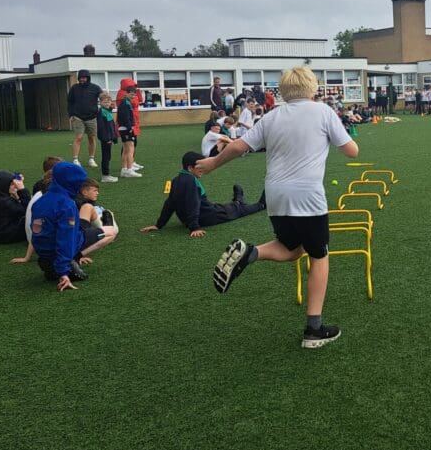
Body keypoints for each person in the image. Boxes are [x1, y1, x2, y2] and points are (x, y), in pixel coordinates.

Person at [198, 65, 359, 349]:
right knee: (319, 255)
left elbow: (238, 146)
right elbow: (351, 151)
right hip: (307, 196)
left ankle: (250, 252)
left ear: (283, 91)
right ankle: (314, 329)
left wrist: (212, 163)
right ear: (313, 88)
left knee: (292, 248)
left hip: (275, 195)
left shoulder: (272, 116)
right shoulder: (323, 112)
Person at [141, 151, 265, 237]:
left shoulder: (176, 179)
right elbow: (193, 203)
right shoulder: (190, 181)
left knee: (226, 207)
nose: (204, 169)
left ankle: (238, 200)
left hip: (201, 213)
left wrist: (159, 224)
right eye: (200, 167)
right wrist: (194, 227)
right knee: (239, 211)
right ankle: (261, 205)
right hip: (207, 216)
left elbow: (170, 203)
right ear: (190, 168)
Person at [30, 162, 97, 291]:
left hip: (43, 252)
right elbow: (66, 238)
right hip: (55, 251)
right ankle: (68, 263)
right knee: (103, 233)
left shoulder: (40, 201)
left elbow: (36, 231)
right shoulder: (66, 205)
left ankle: (53, 263)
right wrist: (63, 272)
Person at [67, 69, 102, 167]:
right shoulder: (74, 88)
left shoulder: (95, 88)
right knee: (78, 137)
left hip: (92, 117)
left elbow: (103, 98)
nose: (82, 79)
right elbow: (69, 102)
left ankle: (91, 159)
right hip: (78, 117)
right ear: (78, 78)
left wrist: (109, 105)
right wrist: (71, 115)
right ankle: (75, 160)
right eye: (81, 78)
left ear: (88, 78)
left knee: (92, 138)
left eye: (84, 78)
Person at [0, 170, 31, 244]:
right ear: (3, 186)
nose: (15, 186)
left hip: (2, 233)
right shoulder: (4, 201)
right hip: (7, 235)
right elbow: (28, 210)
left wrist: (16, 195)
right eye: (11, 184)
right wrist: (22, 190)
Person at [115, 78, 145, 172]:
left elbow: (139, 101)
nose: (133, 95)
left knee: (132, 144)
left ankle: (130, 163)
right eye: (132, 93)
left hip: (132, 121)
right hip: (128, 124)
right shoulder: (123, 97)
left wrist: (137, 93)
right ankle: (128, 166)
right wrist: (129, 127)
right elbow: (135, 103)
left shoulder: (127, 97)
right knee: (128, 146)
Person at [96, 92, 119, 183]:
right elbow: (102, 128)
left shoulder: (107, 111)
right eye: (104, 102)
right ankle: (105, 176)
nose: (107, 103)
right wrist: (107, 139)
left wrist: (114, 137)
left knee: (108, 156)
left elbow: (111, 126)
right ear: (100, 102)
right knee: (106, 157)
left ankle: (106, 175)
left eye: (108, 102)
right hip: (106, 139)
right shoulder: (101, 112)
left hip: (109, 138)